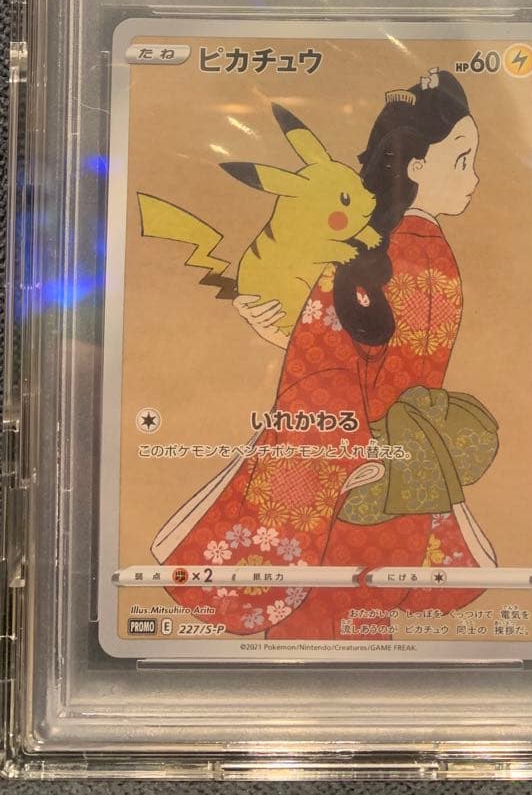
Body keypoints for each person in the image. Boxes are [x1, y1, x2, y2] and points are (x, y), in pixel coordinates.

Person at [155, 68, 496, 639]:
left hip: (356, 476)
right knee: (358, 628)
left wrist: (341, 441)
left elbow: (331, 366)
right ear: (415, 166)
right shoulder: (424, 254)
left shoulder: (374, 259)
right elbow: (375, 353)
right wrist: (291, 331)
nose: (475, 177)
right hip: (404, 474)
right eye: (462, 159)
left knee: (321, 631)